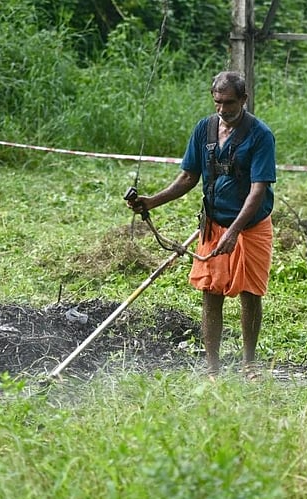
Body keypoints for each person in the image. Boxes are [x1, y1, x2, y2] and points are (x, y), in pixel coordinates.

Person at [126, 71, 276, 375]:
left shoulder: (260, 135)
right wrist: (151, 201)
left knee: (250, 293)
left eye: (229, 103)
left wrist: (234, 231)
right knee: (211, 293)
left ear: (244, 100)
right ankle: (212, 368)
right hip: (214, 222)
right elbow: (188, 177)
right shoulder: (204, 130)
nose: (222, 110)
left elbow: (258, 190)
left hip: (249, 227)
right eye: (217, 102)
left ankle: (249, 363)